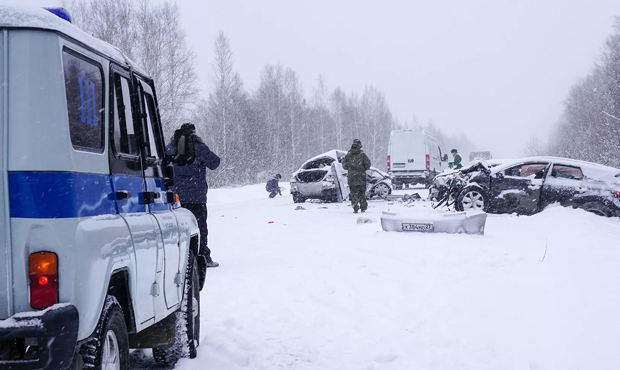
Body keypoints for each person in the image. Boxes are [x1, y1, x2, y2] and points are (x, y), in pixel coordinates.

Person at [168, 123, 221, 268]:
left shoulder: (170, 148)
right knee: (200, 227)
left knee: (178, 228)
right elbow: (215, 163)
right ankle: (203, 257)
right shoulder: (199, 148)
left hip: (176, 198)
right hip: (197, 197)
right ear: (194, 133)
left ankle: (179, 259)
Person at [342, 139, 371, 213]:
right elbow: (368, 165)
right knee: (362, 192)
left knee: (353, 192)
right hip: (361, 176)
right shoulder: (362, 154)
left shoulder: (348, 154)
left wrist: (350, 167)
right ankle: (363, 206)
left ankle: (355, 206)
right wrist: (362, 169)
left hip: (352, 177)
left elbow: (344, 166)